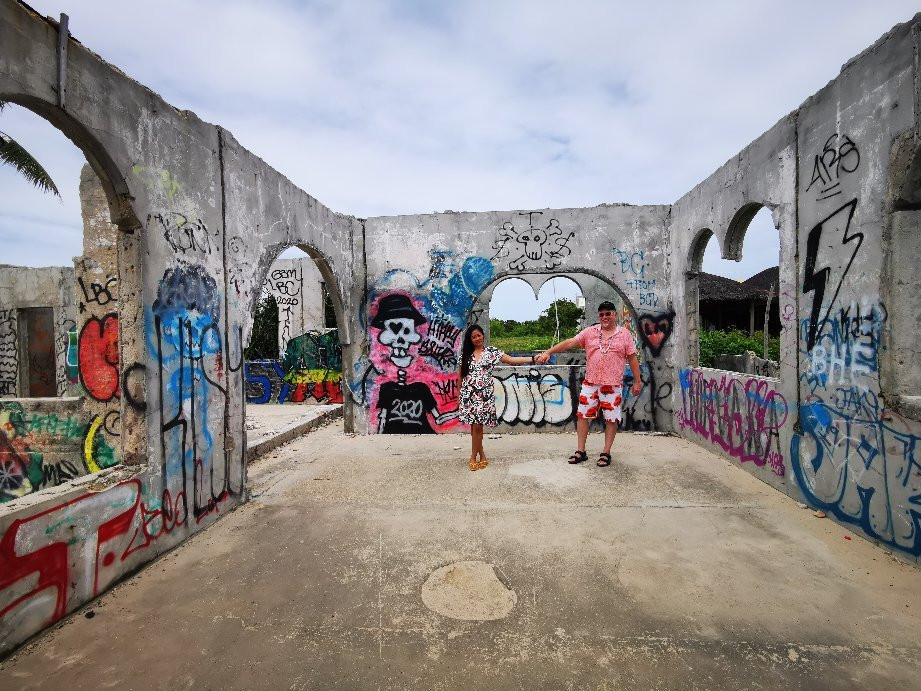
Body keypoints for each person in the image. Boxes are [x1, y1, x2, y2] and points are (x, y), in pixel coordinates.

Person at [535, 301, 641, 467]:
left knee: (611, 419)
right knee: (582, 416)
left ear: (615, 315)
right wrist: (549, 352)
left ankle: (606, 453)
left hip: (612, 385)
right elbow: (570, 342)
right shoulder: (590, 332)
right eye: (602, 314)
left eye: (608, 313)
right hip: (590, 383)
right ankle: (580, 451)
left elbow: (633, 358)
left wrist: (637, 381)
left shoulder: (624, 335)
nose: (605, 317)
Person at [457, 324, 535, 471]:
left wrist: (532, 358)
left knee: (478, 426)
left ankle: (473, 457)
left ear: (483, 336)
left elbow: (511, 360)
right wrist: (458, 397)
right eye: (474, 337)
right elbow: (460, 377)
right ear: (470, 339)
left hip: (484, 396)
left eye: (479, 335)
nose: (477, 338)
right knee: (474, 427)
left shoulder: (491, 352)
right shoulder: (465, 356)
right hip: (469, 395)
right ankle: (481, 455)